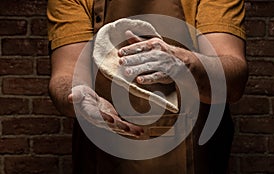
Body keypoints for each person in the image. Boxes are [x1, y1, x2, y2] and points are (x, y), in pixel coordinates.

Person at [47, 0, 248, 173]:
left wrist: (184, 64)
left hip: (194, 152)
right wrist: (77, 96)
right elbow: (66, 74)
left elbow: (233, 81)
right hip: (105, 153)